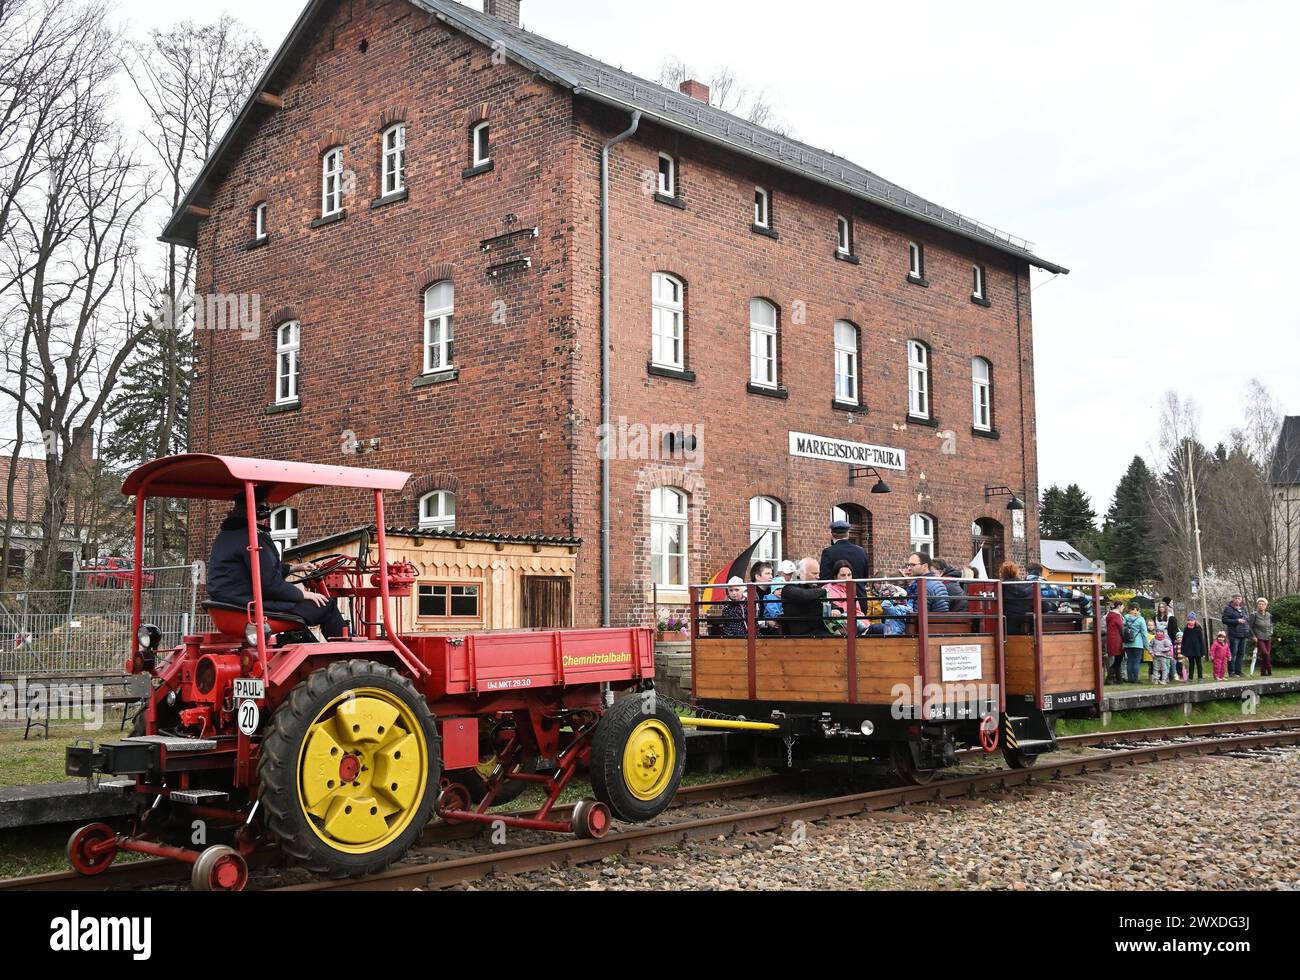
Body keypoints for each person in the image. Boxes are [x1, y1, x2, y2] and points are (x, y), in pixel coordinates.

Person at [207, 490, 345, 638]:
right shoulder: (252, 538)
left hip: (230, 603)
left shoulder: (225, 536)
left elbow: (258, 570)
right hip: (247, 606)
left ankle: (298, 642)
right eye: (264, 511)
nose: (266, 517)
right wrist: (303, 594)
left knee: (302, 609)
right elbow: (270, 584)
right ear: (255, 512)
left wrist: (295, 568)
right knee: (325, 605)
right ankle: (348, 655)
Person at [820, 520, 869, 608]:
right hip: (860, 598)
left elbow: (825, 578)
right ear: (848, 534)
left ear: (831, 535)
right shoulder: (861, 551)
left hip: (838, 601)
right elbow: (865, 577)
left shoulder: (828, 552)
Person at [780, 558, 831, 636]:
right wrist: (824, 591)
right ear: (802, 573)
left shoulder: (814, 589)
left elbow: (828, 602)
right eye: (814, 573)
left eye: (818, 573)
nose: (818, 577)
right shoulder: (789, 589)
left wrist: (836, 609)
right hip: (803, 634)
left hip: (819, 630)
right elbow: (803, 595)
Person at [824, 560, 868, 636]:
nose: (847, 578)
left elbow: (858, 611)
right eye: (843, 575)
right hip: (843, 628)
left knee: (881, 628)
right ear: (835, 577)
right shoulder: (829, 589)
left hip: (858, 626)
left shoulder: (851, 589)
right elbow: (839, 612)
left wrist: (866, 624)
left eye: (849, 575)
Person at [999, 560, 1034, 635]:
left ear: (1002, 573)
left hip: (1009, 617)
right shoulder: (1027, 585)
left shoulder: (1001, 586)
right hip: (1025, 615)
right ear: (1016, 572)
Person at [749, 561, 782, 635]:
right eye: (767, 573)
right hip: (758, 636)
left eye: (771, 573)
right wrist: (767, 622)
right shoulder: (750, 594)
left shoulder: (773, 591)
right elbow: (749, 620)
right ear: (757, 576)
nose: (771, 576)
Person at [1222, 594, 1250, 677]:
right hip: (1234, 634)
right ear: (1233, 599)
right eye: (1236, 598)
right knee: (1233, 653)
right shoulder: (1228, 608)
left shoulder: (1243, 608)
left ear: (1241, 599)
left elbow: (1247, 619)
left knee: (1241, 653)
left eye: (1239, 598)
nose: (1238, 600)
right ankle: (1232, 672)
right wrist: (1236, 620)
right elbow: (1224, 620)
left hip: (1243, 633)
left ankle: (1238, 671)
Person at [1122, 604, 1149, 684]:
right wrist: (1146, 645)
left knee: (1130, 661)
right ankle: (1136, 679)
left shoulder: (1125, 618)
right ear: (1137, 609)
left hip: (1127, 643)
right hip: (1138, 643)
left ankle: (1130, 678)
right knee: (1136, 661)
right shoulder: (1141, 619)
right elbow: (1144, 633)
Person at [1249, 598, 1274, 676]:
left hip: (1268, 637)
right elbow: (1249, 627)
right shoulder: (1254, 615)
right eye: (1259, 604)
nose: (1261, 605)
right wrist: (1253, 636)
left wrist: (1271, 632)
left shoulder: (1269, 615)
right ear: (1257, 605)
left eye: (1263, 604)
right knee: (1265, 653)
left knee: (1266, 655)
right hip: (1259, 638)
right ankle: (1269, 669)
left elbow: (1271, 625)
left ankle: (1263, 672)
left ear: (1266, 606)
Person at [1181, 611, 1207, 682]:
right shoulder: (1186, 629)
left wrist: (1202, 651)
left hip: (1197, 650)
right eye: (1189, 620)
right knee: (1191, 664)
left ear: (1195, 620)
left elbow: (1201, 641)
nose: (1190, 622)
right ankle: (1190, 678)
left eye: (1192, 620)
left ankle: (1200, 677)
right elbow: (1184, 640)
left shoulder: (1198, 629)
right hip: (1189, 650)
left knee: (1199, 664)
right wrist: (1183, 651)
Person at [1105, 600, 1126, 684]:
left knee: (1117, 659)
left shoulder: (1109, 615)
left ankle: (1119, 679)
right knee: (1118, 659)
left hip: (1111, 638)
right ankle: (1109, 678)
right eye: (1122, 606)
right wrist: (1125, 639)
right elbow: (1121, 628)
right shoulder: (1117, 616)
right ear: (1119, 606)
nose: (1123, 608)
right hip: (1117, 639)